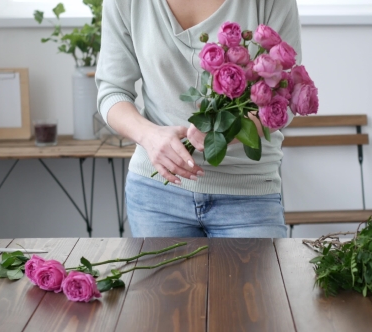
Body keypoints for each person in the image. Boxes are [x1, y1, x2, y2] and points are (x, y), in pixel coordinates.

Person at [96, 0, 302, 238]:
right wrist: (149, 136)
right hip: (157, 195)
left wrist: (226, 131)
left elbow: (285, 95)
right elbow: (112, 92)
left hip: (247, 192)